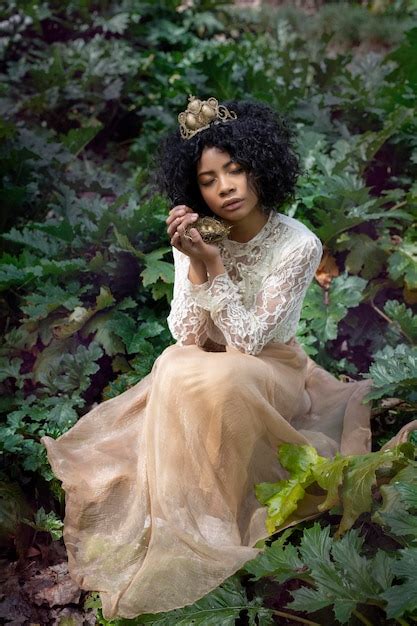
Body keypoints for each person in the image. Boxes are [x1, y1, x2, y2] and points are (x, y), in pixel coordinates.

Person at [41, 96, 414, 620]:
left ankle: (219, 516)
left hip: (272, 368)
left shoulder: (297, 242)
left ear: (260, 167)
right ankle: (190, 507)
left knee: (220, 378)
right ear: (195, 189)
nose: (226, 187)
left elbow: (251, 340)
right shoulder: (192, 238)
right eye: (209, 179)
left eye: (235, 170)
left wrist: (214, 265)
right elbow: (187, 332)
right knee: (175, 363)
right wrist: (194, 262)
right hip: (207, 363)